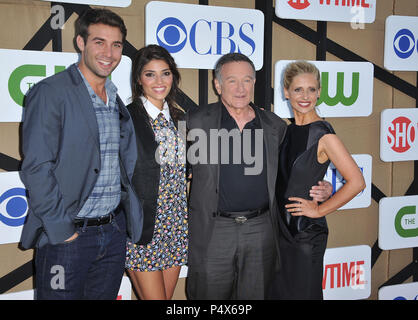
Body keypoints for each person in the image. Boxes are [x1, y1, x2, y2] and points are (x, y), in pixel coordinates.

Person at [185, 53, 331, 300]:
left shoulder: (276, 126)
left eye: (248, 80)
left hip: (261, 229)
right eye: (232, 81)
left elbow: (294, 172)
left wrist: (323, 187)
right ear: (218, 84)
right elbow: (171, 174)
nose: (241, 88)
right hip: (214, 230)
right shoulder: (194, 121)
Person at [19, 8, 143, 300]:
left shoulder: (115, 97)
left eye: (116, 45)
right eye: (99, 42)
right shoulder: (51, 92)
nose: (108, 52)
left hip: (112, 233)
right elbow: (37, 167)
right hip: (68, 238)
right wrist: (63, 232)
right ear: (80, 42)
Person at [272, 60, 366, 300]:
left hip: (305, 234)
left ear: (319, 93)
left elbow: (357, 182)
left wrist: (320, 210)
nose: (305, 96)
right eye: (298, 89)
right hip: (278, 232)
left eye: (311, 90)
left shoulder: (324, 136)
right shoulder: (286, 131)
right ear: (286, 91)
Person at [125, 45, 188, 300]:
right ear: (139, 79)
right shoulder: (126, 119)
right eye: (150, 74)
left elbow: (190, 170)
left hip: (176, 224)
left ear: (173, 76)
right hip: (143, 229)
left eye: (165, 73)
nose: (159, 81)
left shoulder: (180, 119)